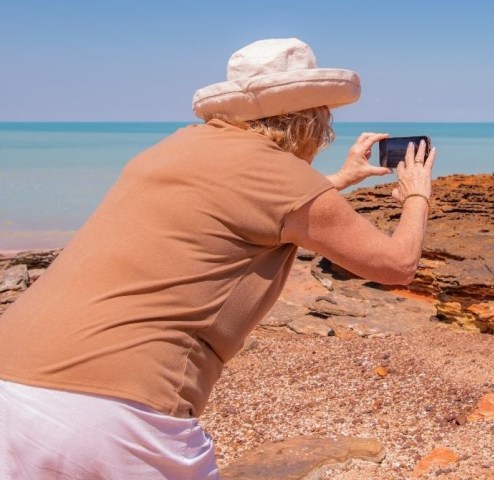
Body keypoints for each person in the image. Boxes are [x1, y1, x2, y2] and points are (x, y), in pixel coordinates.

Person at [0, 38, 436, 478]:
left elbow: (249, 202)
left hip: (12, 378)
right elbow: (396, 265)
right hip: (116, 407)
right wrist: (417, 195)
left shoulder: (176, 147)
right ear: (312, 119)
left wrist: (339, 178)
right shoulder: (283, 178)